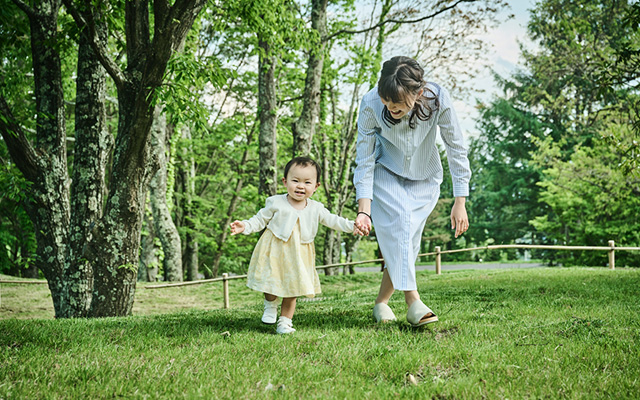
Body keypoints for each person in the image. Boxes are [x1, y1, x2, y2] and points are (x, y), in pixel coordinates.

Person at [353, 56, 471, 327]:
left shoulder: (437, 98)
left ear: (418, 93)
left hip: (425, 177)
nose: (391, 108)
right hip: (386, 173)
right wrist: (364, 211)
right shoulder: (371, 103)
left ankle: (381, 304)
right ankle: (413, 301)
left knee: (405, 240)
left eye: (399, 104)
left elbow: (456, 147)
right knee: (401, 227)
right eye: (387, 101)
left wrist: (460, 200)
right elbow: (365, 160)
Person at [230, 156, 362, 334]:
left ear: (316, 187)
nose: (301, 186)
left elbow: (333, 220)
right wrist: (244, 226)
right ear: (285, 182)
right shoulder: (276, 202)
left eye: (307, 182)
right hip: (274, 249)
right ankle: (270, 304)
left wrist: (352, 225)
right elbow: (260, 219)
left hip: (299, 254)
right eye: (295, 181)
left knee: (293, 287)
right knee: (271, 281)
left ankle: (285, 322)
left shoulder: (316, 208)